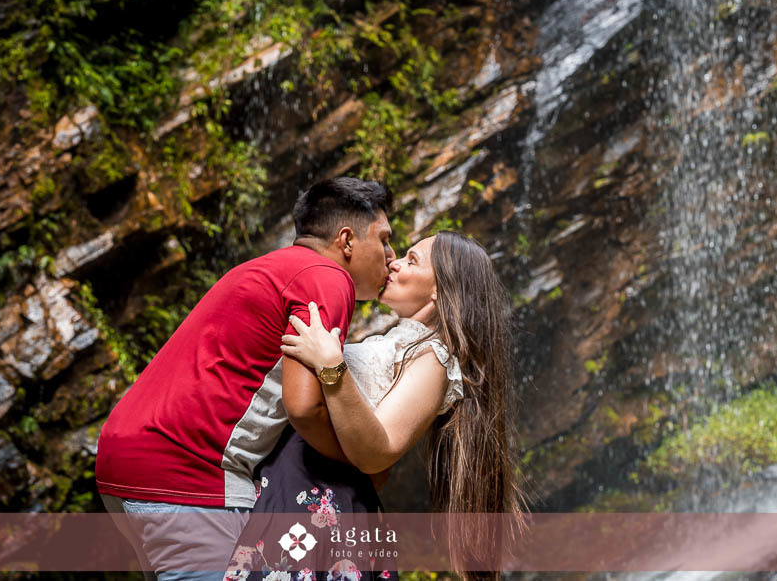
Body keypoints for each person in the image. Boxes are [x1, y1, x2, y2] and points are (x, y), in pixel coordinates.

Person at [94, 177, 396, 581]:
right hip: (185, 470)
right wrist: (361, 463)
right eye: (385, 240)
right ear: (346, 241)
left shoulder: (269, 267)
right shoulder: (325, 277)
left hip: (126, 458)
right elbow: (304, 405)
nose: (392, 257)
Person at [226, 231, 523, 581]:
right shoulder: (399, 344)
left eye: (411, 261)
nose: (393, 263)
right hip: (296, 490)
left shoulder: (436, 358)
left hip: (323, 504)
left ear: (439, 290)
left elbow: (378, 450)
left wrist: (331, 366)